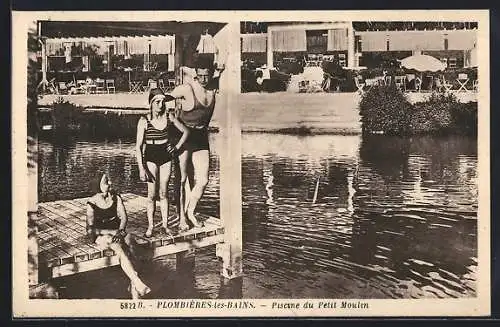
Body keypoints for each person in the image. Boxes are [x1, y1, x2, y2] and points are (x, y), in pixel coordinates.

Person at [168, 56, 221, 230]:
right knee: (182, 179)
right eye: (201, 75)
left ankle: (190, 211)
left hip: (200, 136)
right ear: (196, 74)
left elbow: (225, 65)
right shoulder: (186, 88)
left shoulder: (213, 87)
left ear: (211, 74)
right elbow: (161, 98)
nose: (204, 79)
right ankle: (181, 217)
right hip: (182, 134)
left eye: (207, 75)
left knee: (204, 179)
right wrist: (166, 116)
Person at [86, 174, 151, 299]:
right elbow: (90, 230)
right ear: (98, 186)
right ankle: (137, 281)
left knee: (131, 241)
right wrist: (110, 233)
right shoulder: (92, 203)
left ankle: (133, 282)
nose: (110, 183)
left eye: (109, 180)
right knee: (118, 247)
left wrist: (121, 230)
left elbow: (123, 217)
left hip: (117, 231)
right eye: (106, 182)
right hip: (102, 234)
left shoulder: (116, 197)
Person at [135, 88, 190, 237]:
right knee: (152, 194)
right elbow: (138, 148)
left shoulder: (168, 116)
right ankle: (151, 226)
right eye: (157, 102)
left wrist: (177, 147)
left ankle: (165, 226)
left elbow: (186, 131)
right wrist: (141, 168)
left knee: (164, 193)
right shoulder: (144, 121)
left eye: (162, 102)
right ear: (151, 103)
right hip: (151, 157)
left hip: (165, 157)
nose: (160, 105)